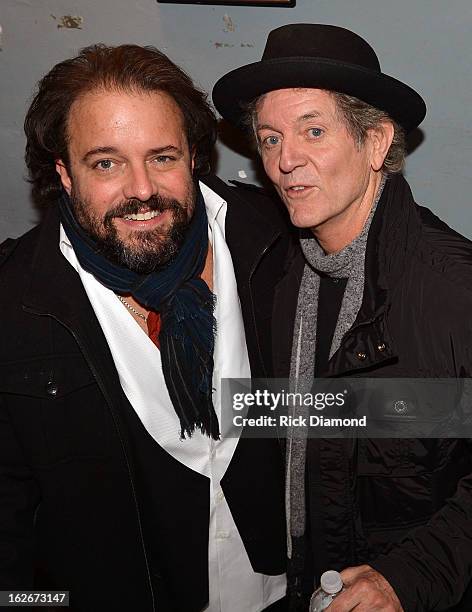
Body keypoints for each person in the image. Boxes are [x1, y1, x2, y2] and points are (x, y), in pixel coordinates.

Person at [0, 44, 290, 612]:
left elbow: (343, 410)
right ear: (63, 172)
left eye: (162, 157)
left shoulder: (272, 240)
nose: (141, 189)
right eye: (105, 163)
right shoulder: (17, 305)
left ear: (194, 157)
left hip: (285, 590)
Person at [212, 23, 472, 611]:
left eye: (314, 131)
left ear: (377, 143)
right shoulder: (274, 272)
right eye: (271, 139)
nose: (286, 161)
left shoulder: (450, 291)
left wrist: (407, 578)